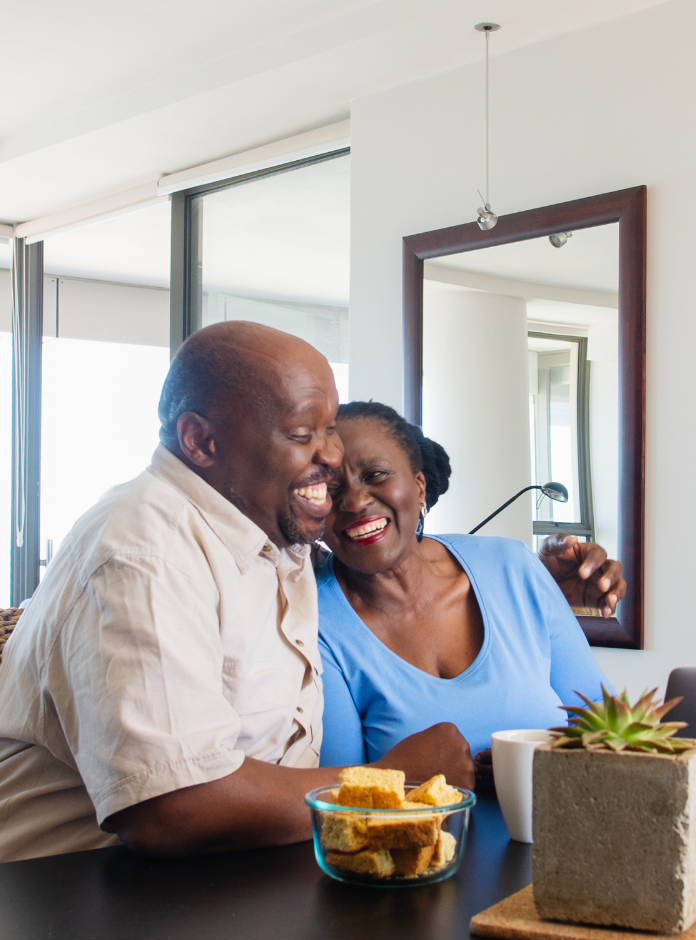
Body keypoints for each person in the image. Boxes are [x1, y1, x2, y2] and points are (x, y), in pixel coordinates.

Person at [0, 322, 473, 862]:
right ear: (202, 441)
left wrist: (550, 578)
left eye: (331, 429)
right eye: (302, 435)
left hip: (230, 892)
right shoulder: (143, 550)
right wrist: (390, 782)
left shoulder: (272, 529)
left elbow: (389, 550)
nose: (333, 457)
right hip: (73, 905)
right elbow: (174, 809)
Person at [315, 402, 613, 775]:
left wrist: (523, 766)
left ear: (419, 486)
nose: (355, 502)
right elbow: (340, 798)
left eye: (375, 475)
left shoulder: (512, 567)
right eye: (329, 489)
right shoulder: (314, 620)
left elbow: (603, 723)